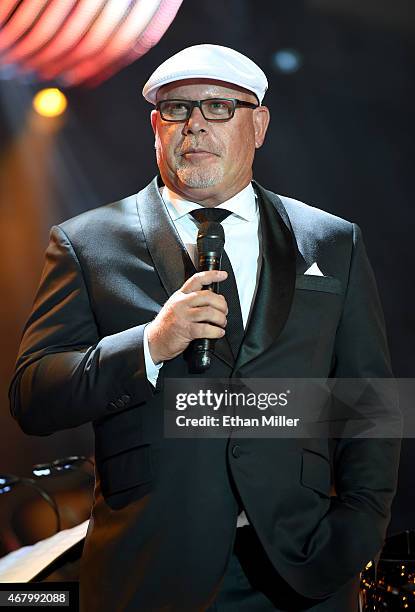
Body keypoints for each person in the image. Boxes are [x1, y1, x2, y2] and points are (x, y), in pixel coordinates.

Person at [9, 44, 400, 611]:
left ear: (258, 124)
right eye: (177, 109)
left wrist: (357, 529)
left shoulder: (331, 241)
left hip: (303, 571)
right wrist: (149, 344)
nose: (195, 124)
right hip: (150, 568)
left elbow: (369, 403)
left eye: (219, 106)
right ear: (155, 126)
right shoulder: (87, 243)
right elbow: (32, 395)